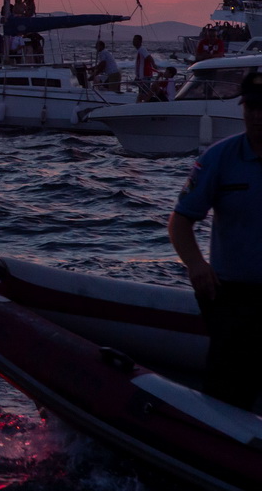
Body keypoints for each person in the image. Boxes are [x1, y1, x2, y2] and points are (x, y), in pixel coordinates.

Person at [167, 71, 262, 410]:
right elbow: (180, 221)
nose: (256, 115)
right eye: (250, 106)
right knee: (227, 388)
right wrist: (195, 265)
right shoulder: (219, 159)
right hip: (232, 294)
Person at [133, 34, 156, 101]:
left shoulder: (142, 49)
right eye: (133, 40)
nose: (133, 42)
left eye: (135, 40)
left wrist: (153, 64)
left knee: (145, 93)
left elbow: (149, 57)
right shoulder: (139, 50)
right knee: (141, 92)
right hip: (141, 76)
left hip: (145, 75)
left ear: (140, 41)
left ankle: (145, 103)